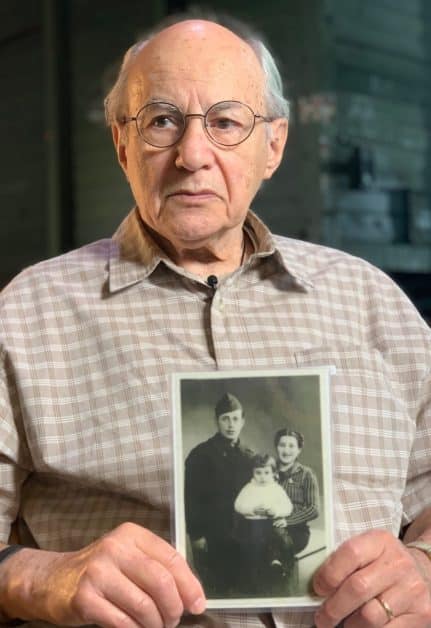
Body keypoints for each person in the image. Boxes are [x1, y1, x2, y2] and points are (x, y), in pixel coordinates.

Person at [0, 9, 430, 628]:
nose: (192, 155)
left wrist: (422, 568)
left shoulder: (373, 302)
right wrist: (41, 578)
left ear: (273, 145)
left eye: (227, 122)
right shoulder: (29, 317)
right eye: (162, 122)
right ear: (122, 143)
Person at [184, 392, 254, 597]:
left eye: (235, 418)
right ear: (217, 422)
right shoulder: (200, 455)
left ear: (243, 421)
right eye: (225, 419)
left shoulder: (250, 456)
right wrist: (196, 536)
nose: (230, 424)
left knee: (245, 589)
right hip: (212, 537)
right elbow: (191, 499)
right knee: (216, 592)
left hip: (243, 537)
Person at [234, 453, 293, 596]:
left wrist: (276, 512)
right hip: (251, 523)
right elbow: (238, 505)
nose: (262, 476)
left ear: (274, 473)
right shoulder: (249, 488)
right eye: (258, 473)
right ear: (253, 473)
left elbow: (288, 507)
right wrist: (251, 510)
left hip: (270, 522)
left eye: (267, 473)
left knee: (278, 540)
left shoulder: (276, 489)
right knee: (253, 546)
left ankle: (276, 564)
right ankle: (254, 577)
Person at [272, 428, 320, 560]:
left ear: (299, 450)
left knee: (275, 547)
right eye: (282, 445)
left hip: (295, 531)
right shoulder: (267, 471)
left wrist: (287, 521)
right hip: (268, 527)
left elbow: (313, 509)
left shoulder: (306, 474)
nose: (286, 450)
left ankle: (281, 568)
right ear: (276, 447)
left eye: (291, 446)